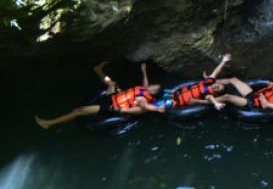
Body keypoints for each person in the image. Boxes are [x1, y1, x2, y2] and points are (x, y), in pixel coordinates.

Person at [35, 61, 165, 129]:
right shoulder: (146, 89)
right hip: (114, 97)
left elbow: (139, 110)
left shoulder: (143, 101)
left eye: (154, 88)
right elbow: (145, 84)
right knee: (111, 83)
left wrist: (157, 108)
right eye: (153, 85)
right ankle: (98, 70)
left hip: (112, 107)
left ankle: (49, 123)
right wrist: (144, 71)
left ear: (153, 94)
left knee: (79, 111)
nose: (151, 87)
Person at [164, 54, 252, 110]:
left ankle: (166, 102)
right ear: (216, 82)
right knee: (165, 94)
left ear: (216, 92)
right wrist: (223, 61)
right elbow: (216, 71)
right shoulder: (210, 82)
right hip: (176, 93)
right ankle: (169, 96)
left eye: (218, 89)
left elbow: (210, 98)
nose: (216, 87)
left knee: (164, 103)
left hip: (176, 102)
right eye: (218, 85)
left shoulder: (208, 94)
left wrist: (216, 103)